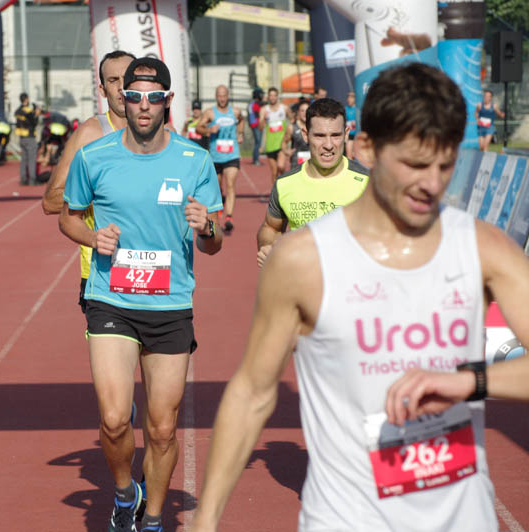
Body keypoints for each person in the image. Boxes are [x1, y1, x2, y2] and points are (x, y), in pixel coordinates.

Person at [193, 62, 529, 532]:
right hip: (346, 517)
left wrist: (468, 382)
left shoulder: (482, 248)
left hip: (460, 518)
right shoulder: (301, 261)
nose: (432, 184)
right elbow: (252, 392)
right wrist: (205, 520)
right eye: (414, 164)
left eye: (445, 164)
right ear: (368, 148)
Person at [60, 57, 223, 532]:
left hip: (170, 306)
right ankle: (124, 493)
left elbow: (214, 243)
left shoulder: (195, 160)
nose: (144, 105)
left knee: (163, 428)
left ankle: (152, 519)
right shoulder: (94, 156)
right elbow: (68, 216)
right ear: (122, 100)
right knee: (114, 420)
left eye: (154, 97)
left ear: (167, 101)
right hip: (111, 298)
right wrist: (93, 237)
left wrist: (207, 227)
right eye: (134, 96)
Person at [42, 50, 136, 313]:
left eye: (127, 79)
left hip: (156, 269)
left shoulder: (163, 134)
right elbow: (51, 201)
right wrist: (100, 192)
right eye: (113, 80)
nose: (122, 87)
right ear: (103, 90)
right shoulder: (90, 134)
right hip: (102, 272)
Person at [256, 98, 368, 268]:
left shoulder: (368, 183)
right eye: (319, 136)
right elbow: (271, 228)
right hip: (300, 281)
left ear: (346, 134)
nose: (328, 145)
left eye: (335, 135)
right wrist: (267, 247)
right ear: (305, 135)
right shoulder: (285, 184)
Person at [197, 84, 243, 232]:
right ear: (216, 97)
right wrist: (209, 130)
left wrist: (240, 133)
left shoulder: (235, 112)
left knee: (230, 184)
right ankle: (221, 201)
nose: (222, 98)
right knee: (217, 186)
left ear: (227, 96)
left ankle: (229, 217)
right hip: (216, 157)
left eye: (224, 95)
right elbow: (198, 127)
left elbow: (241, 120)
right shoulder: (210, 113)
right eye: (219, 96)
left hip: (232, 154)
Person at [260, 87, 290, 180]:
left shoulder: (284, 108)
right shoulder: (264, 110)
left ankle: (285, 181)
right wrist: (264, 119)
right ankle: (275, 189)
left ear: (277, 96)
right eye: (271, 95)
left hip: (281, 144)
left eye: (274, 95)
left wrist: (289, 135)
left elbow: (292, 120)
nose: (272, 97)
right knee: (274, 172)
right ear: (268, 97)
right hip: (270, 145)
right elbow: (260, 127)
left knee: (280, 166)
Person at [14, 92, 41, 185]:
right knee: (32, 159)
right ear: (26, 99)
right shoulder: (28, 111)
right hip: (30, 137)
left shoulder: (17, 111)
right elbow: (34, 123)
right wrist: (37, 114)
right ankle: (32, 180)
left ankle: (23, 179)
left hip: (22, 138)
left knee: (24, 160)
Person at [280, 99, 310, 174]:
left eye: (307, 110)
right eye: (302, 111)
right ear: (298, 112)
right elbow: (283, 142)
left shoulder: (314, 127)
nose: (305, 113)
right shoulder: (292, 127)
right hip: (296, 164)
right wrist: (286, 151)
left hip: (311, 164)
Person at [247, 88, 264, 165]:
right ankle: (256, 159)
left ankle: (255, 159)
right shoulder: (256, 104)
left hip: (253, 124)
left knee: (257, 142)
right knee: (258, 142)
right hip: (257, 124)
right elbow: (259, 114)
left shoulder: (251, 103)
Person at [345, 90, 357, 160]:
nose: (349, 99)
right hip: (349, 136)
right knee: (349, 157)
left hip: (357, 136)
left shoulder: (358, 109)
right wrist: (349, 123)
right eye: (348, 97)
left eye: (351, 97)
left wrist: (356, 122)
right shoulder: (345, 109)